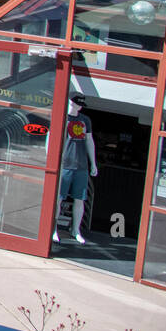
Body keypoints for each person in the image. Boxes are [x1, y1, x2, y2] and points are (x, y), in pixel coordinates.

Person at [54, 95, 98, 245]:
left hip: (81, 166)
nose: (77, 107)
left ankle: (75, 230)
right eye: (75, 104)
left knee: (80, 199)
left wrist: (93, 163)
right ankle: (53, 228)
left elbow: (89, 141)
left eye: (79, 105)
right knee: (58, 198)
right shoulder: (61, 117)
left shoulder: (85, 120)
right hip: (64, 164)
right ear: (69, 102)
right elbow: (50, 137)